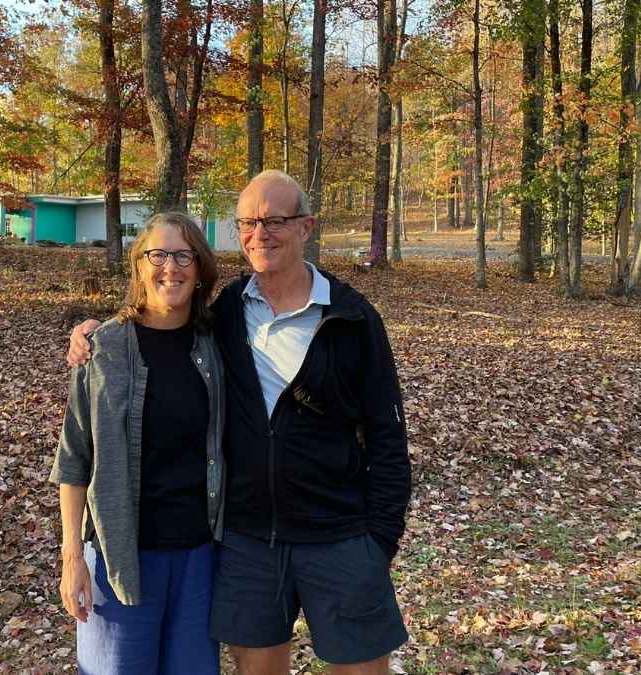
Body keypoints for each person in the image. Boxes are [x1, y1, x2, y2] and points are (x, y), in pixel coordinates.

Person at [68, 170, 412, 675]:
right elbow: (157, 324)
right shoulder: (227, 312)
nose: (260, 233)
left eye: (275, 220)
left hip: (339, 535)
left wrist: (379, 539)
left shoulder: (352, 318)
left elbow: (387, 435)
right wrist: (94, 331)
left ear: (306, 227)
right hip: (249, 541)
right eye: (248, 222)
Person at [50, 212, 225, 675]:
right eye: (159, 254)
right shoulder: (101, 348)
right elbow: (73, 462)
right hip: (119, 556)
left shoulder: (218, 345)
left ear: (200, 267)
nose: (172, 266)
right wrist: (72, 559)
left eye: (184, 254)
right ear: (139, 265)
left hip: (199, 558)